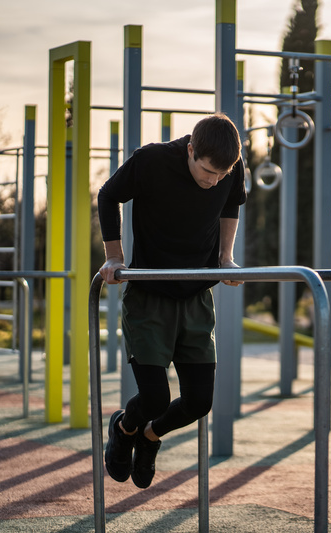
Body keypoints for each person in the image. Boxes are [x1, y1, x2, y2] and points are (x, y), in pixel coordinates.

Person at [97, 112, 246, 489]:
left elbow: (231, 204)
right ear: (191, 150)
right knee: (156, 396)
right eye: (207, 171)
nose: (213, 181)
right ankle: (124, 427)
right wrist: (114, 256)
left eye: (221, 175)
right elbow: (108, 195)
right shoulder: (152, 160)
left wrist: (225, 257)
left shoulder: (231, 169)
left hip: (196, 294)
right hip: (150, 294)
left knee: (199, 401)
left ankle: (148, 437)